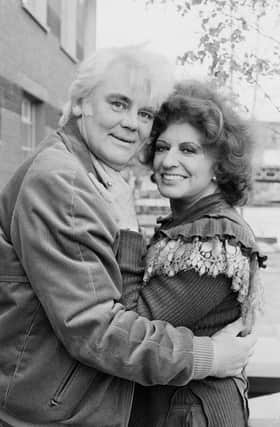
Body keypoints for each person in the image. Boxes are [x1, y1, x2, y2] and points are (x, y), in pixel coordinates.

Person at [0, 47, 256, 427]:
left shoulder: (212, 235)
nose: (132, 124)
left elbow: (128, 313)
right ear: (82, 103)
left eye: (145, 113)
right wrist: (207, 357)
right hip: (56, 407)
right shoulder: (67, 180)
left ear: (218, 164)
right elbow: (97, 326)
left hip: (182, 410)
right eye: (118, 104)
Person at [112, 80, 266, 426]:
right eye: (163, 147)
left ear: (219, 164)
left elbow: (133, 324)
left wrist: (128, 229)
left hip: (190, 414)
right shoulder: (187, 222)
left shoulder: (214, 235)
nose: (169, 160)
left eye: (188, 150)